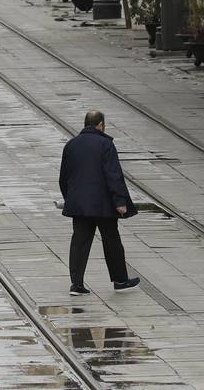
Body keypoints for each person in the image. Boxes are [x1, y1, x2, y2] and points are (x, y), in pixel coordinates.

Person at [59, 109, 140, 294]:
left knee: (79, 242)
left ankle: (77, 285)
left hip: (79, 205)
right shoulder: (105, 144)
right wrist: (120, 202)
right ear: (100, 124)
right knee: (111, 240)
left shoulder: (71, 145)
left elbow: (64, 177)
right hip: (103, 204)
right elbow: (113, 175)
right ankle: (120, 280)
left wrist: (70, 198)